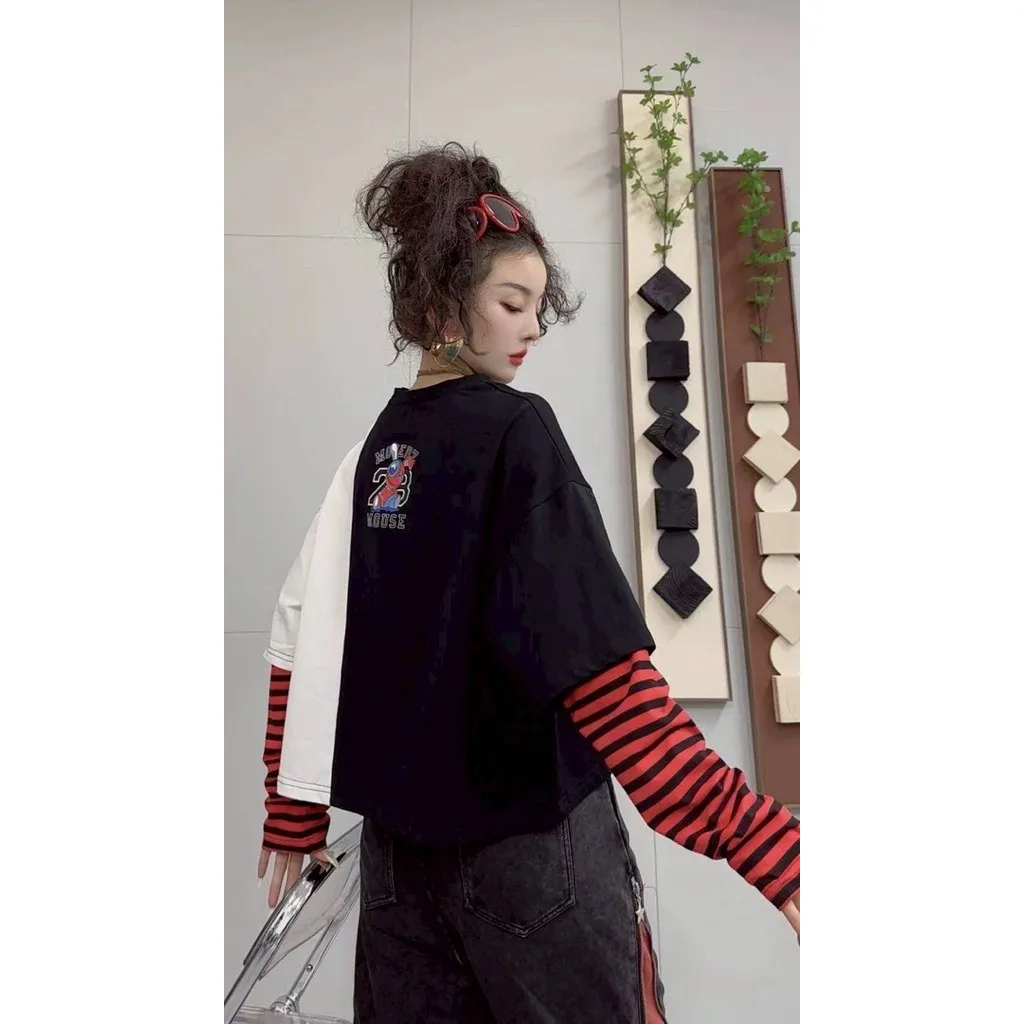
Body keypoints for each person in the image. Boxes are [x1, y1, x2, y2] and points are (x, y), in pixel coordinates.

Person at [255, 142, 799, 1023]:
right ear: (439, 302)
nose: (534, 327)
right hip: (533, 854)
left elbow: (298, 638)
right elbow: (599, 668)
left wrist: (292, 811)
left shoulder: (374, 456)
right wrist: (755, 836)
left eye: (540, 306)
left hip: (399, 868)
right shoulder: (516, 431)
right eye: (513, 303)